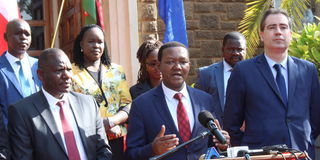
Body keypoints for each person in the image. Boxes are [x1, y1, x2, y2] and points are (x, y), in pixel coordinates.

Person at [223, 8, 320, 159]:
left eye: (283, 27)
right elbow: (231, 122)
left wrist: (304, 139)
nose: (278, 32)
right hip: (260, 155)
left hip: (301, 153)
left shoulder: (308, 70)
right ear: (261, 35)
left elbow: (315, 117)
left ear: (291, 34)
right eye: (271, 27)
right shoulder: (243, 71)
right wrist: (247, 151)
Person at [126, 41, 230, 160]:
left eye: (183, 62)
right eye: (170, 62)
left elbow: (213, 146)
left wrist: (223, 145)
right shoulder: (141, 104)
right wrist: (152, 149)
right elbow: (131, 154)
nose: (177, 67)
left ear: (189, 65)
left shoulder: (205, 100)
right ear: (159, 65)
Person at [8, 48, 112, 160]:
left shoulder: (88, 103)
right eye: (59, 70)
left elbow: (103, 149)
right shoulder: (22, 112)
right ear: (41, 75)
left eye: (69, 69)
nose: (67, 76)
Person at [71, 24, 131, 160]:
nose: (96, 45)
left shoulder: (116, 70)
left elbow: (127, 104)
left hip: (116, 137)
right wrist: (99, 126)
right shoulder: (70, 72)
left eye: (100, 42)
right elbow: (71, 107)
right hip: (87, 138)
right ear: (81, 44)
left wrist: (111, 122)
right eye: (91, 41)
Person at [195, 32, 246, 123]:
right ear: (223, 50)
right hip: (217, 132)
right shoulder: (206, 74)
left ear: (246, 50)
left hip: (247, 134)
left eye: (239, 49)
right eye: (231, 49)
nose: (236, 53)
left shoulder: (254, 73)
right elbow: (197, 105)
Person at [0, 19, 41, 126]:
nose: (23, 37)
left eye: (27, 34)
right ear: (5, 37)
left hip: (40, 134)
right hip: (9, 136)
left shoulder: (40, 65)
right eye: (18, 33)